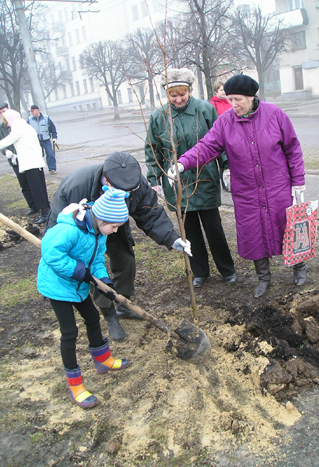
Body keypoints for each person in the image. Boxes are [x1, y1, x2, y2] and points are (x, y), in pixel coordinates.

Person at [169, 74, 306, 298]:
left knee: (288, 226)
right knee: (254, 232)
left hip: (277, 187)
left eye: (237, 99)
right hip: (247, 191)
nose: (232, 105)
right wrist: (182, 164)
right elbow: (206, 146)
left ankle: (299, 267)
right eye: (230, 99)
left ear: (251, 97)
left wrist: (298, 180)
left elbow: (292, 148)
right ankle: (263, 277)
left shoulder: (275, 115)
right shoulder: (225, 122)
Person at [46, 151, 191, 342]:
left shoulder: (134, 182)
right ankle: (108, 312)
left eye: (131, 191)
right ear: (107, 181)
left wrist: (171, 238)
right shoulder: (76, 186)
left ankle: (123, 304)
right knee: (92, 270)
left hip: (113, 227)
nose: (129, 194)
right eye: (125, 192)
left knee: (126, 260)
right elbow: (55, 227)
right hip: (80, 230)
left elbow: (150, 213)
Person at [37, 186, 131, 409]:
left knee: (92, 318)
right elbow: (50, 253)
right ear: (101, 219)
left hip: (78, 285)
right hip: (57, 286)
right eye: (114, 226)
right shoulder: (69, 230)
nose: (116, 231)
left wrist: (105, 282)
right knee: (69, 332)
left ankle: (103, 360)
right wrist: (78, 270)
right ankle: (75, 385)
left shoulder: (99, 234)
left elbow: (97, 261)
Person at [145, 68, 237, 289]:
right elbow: (152, 150)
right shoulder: (159, 117)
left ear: (189, 90)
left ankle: (227, 269)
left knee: (214, 228)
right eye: (173, 95)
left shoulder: (205, 110)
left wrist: (226, 167)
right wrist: (154, 179)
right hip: (176, 183)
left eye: (182, 94)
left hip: (204, 178)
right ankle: (200, 271)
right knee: (190, 232)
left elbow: (220, 140)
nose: (178, 99)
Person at [0, 109, 51, 224]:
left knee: (37, 189)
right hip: (35, 162)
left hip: (30, 163)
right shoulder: (26, 126)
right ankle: (46, 210)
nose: (7, 124)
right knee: (40, 188)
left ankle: (45, 213)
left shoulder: (18, 128)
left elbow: (6, 141)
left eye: (7, 121)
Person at [0, 103, 38, 216]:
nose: (3, 114)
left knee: (33, 182)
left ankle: (40, 204)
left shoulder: (18, 124)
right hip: (13, 159)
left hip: (24, 156)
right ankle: (32, 205)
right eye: (1, 112)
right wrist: (6, 152)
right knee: (24, 184)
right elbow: (3, 142)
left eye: (5, 111)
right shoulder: (1, 128)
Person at [27, 104, 58, 174]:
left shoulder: (46, 118)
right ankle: (39, 170)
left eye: (33, 111)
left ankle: (52, 169)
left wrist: (54, 137)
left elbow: (52, 128)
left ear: (38, 110)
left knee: (50, 154)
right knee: (38, 155)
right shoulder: (29, 120)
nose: (32, 113)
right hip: (35, 141)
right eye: (31, 111)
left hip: (46, 139)